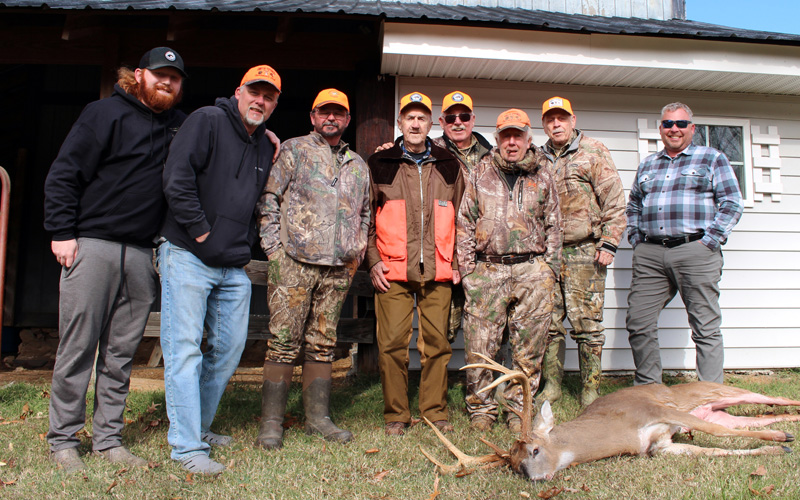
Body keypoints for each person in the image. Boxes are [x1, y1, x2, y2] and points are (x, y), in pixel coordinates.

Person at [43, 47, 187, 473]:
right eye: (160, 74)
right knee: (78, 347)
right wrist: (62, 232)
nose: (167, 82)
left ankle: (108, 439)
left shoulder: (179, 125)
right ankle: (63, 441)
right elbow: (65, 172)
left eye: (175, 78)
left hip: (143, 254)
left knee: (121, 353)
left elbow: (223, 121)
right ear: (138, 75)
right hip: (93, 245)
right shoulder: (103, 113)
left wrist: (267, 136)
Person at [158, 65, 279, 473]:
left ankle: (201, 425)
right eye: (254, 92)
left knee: (228, 349)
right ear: (238, 92)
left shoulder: (265, 145)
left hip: (231, 266)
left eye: (269, 96)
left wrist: (238, 247)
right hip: (188, 255)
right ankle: (186, 447)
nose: (260, 101)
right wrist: (201, 232)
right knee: (185, 349)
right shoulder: (206, 121)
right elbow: (177, 179)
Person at [254, 88, 369, 449]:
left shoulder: (358, 164)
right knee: (284, 343)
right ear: (313, 116)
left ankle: (317, 419)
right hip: (294, 265)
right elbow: (269, 198)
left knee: (323, 344)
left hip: (337, 270)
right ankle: (271, 423)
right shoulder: (293, 150)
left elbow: (364, 213)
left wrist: (357, 251)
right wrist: (274, 248)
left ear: (348, 119)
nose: (330, 118)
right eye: (324, 112)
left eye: (338, 113)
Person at [457, 108, 561, 432]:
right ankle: (482, 410)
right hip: (488, 271)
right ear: (498, 139)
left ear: (529, 139)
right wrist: (468, 271)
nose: (512, 142)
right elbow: (464, 222)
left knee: (529, 347)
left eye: (518, 135)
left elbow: (555, 224)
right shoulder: (480, 172)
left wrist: (549, 269)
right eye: (506, 135)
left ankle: (518, 410)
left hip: (532, 270)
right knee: (479, 344)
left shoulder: (544, 174)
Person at [367, 91, 464, 436]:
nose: (415, 123)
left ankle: (434, 412)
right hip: (393, 270)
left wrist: (456, 261)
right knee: (391, 344)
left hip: (438, 270)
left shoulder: (449, 164)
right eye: (409, 117)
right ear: (400, 122)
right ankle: (396, 414)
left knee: (437, 345)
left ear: (430, 123)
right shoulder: (380, 163)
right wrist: (373, 260)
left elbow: (462, 218)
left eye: (422, 117)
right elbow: (366, 218)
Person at [626, 102, 743, 386]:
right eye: (668, 124)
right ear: (661, 129)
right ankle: (649, 391)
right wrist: (636, 239)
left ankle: (709, 397)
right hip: (651, 252)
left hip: (695, 251)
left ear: (692, 128)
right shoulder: (648, 165)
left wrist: (710, 240)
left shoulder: (711, 158)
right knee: (638, 322)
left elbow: (731, 203)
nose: (674, 129)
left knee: (705, 327)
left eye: (680, 124)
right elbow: (633, 205)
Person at [537, 96, 626, 408]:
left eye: (562, 118)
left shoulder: (593, 151)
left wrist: (610, 242)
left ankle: (590, 390)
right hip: (547, 256)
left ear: (573, 120)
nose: (556, 124)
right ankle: (552, 386)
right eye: (550, 119)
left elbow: (614, 199)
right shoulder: (537, 157)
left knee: (587, 325)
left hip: (586, 251)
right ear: (544, 123)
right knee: (549, 324)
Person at [433, 91, 492, 345]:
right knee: (442, 324)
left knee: (486, 322)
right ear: (441, 121)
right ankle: (436, 384)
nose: (458, 122)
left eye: (464, 116)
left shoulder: (493, 156)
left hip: (483, 253)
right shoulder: (429, 151)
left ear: (473, 119)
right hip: (443, 249)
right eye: (451, 117)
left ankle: (483, 381)